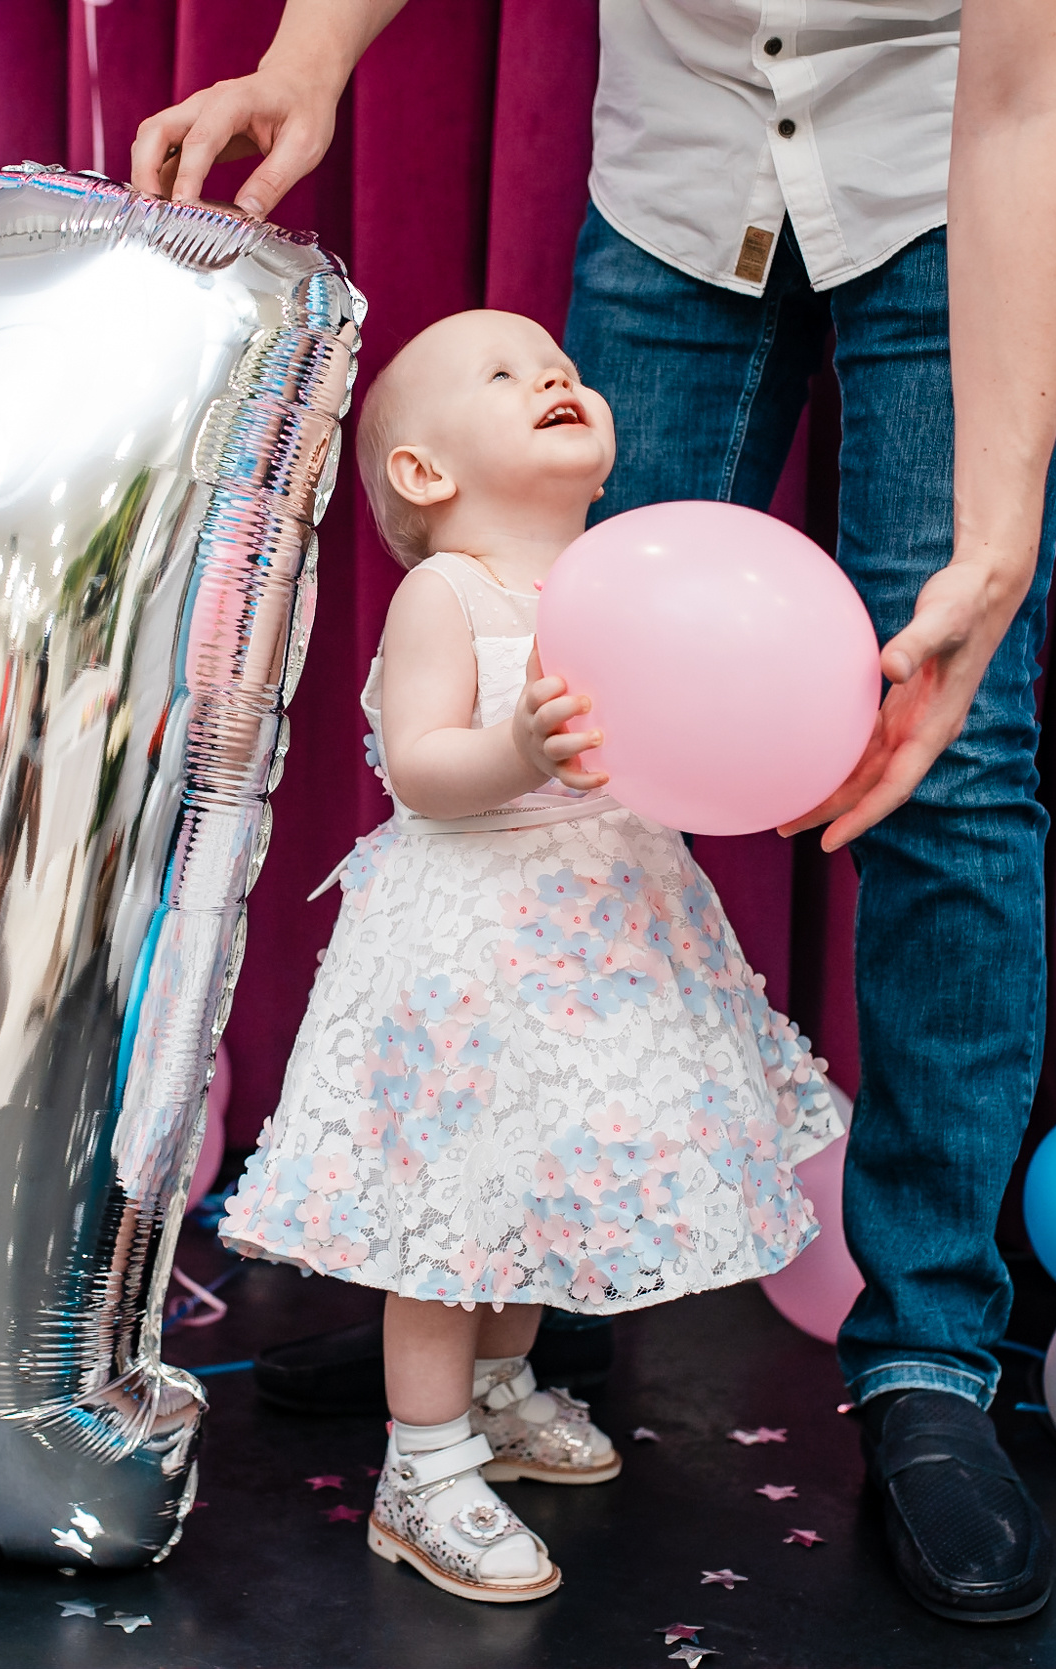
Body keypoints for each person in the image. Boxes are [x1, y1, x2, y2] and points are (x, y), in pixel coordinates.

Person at [140, 0, 1056, 1627]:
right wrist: (309, 59)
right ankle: (502, 1316)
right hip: (688, 164)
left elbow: (1029, 85)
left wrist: (999, 531)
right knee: (591, 726)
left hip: (962, 172)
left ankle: (930, 1361)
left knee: (948, 758)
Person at [218, 307, 843, 1604]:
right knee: (459, 1209)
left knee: (540, 1190)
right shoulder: (449, 594)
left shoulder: (622, 577)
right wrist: (520, 753)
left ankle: (500, 1388)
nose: (553, 377)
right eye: (505, 376)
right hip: (478, 944)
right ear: (424, 474)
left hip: (607, 928)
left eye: (560, 367)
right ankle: (424, 1467)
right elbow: (423, 765)